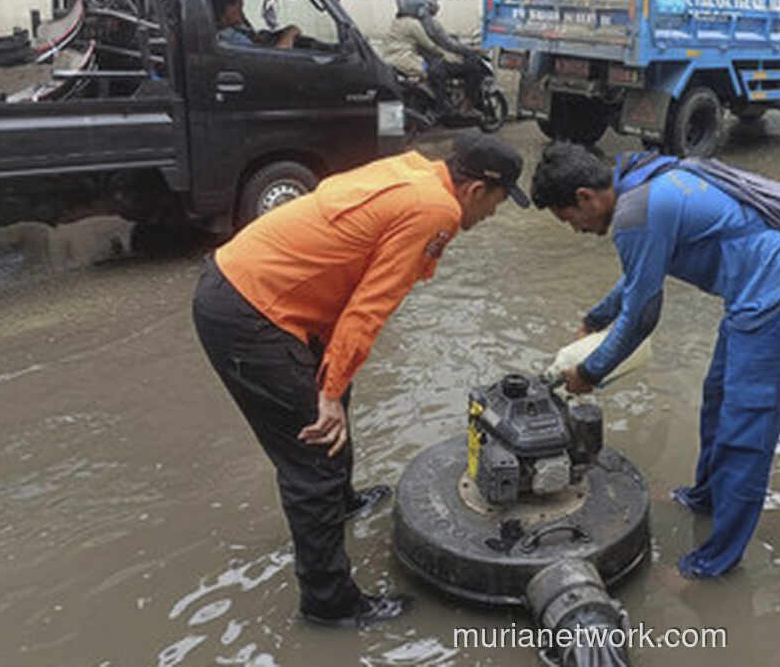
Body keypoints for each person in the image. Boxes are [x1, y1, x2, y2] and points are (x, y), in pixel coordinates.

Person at [192, 131, 529, 627]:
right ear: (476, 190)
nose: (493, 215)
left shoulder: (413, 170)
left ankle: (343, 503)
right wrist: (324, 395)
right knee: (313, 456)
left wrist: (333, 385)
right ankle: (329, 603)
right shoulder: (437, 211)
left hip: (252, 286)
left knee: (336, 393)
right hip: (252, 313)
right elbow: (369, 308)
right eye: (498, 202)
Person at [529, 143, 780, 579]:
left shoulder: (634, 213)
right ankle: (704, 497)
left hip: (776, 295)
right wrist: (597, 317)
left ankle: (714, 564)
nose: (576, 229)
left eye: (568, 218)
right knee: (717, 401)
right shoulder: (642, 182)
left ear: (585, 197)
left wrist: (589, 372)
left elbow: (643, 316)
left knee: (746, 432)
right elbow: (638, 275)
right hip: (752, 295)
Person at [384, 0, 485, 115]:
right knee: (473, 68)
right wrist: (466, 51)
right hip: (420, 61)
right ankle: (459, 107)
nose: (436, 5)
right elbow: (439, 44)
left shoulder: (399, 21)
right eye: (434, 1)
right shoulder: (421, 23)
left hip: (401, 59)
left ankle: (446, 104)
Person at [210, 0, 300, 49]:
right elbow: (274, 59)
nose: (241, 10)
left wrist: (256, 38)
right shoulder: (229, 38)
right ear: (228, 8)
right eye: (239, 6)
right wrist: (290, 33)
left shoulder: (227, 31)